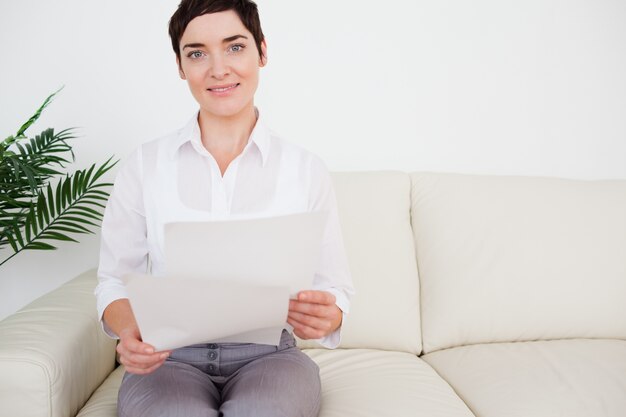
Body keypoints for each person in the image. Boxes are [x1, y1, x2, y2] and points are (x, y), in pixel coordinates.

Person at [94, 0, 354, 416]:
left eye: (234, 47)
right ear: (181, 66)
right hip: (168, 357)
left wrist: (329, 314)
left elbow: (335, 288)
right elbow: (113, 281)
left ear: (262, 52)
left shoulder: (305, 169)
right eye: (196, 53)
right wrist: (131, 332)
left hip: (271, 357)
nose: (218, 69)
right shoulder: (144, 166)